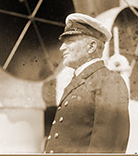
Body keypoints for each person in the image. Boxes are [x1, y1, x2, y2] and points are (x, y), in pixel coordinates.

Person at [43, 13, 130, 153]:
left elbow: (108, 146)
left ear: (91, 47)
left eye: (69, 41)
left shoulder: (109, 81)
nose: (62, 48)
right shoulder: (78, 81)